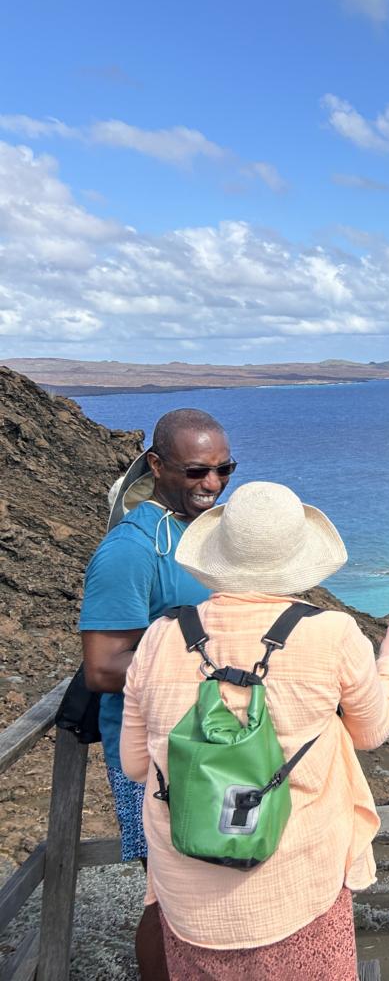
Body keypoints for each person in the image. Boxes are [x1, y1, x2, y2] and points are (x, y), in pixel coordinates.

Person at [120, 481, 389, 977]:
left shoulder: (160, 637)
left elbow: (134, 764)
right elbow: (371, 730)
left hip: (189, 894)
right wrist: (388, 663)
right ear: (298, 559)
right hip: (296, 882)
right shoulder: (332, 632)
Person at [79, 408, 233, 976]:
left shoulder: (202, 535)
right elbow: (101, 667)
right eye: (196, 472)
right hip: (150, 753)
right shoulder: (131, 550)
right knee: (166, 897)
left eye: (224, 469)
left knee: (210, 886)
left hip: (205, 740)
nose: (212, 485)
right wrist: (209, 667)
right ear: (157, 466)